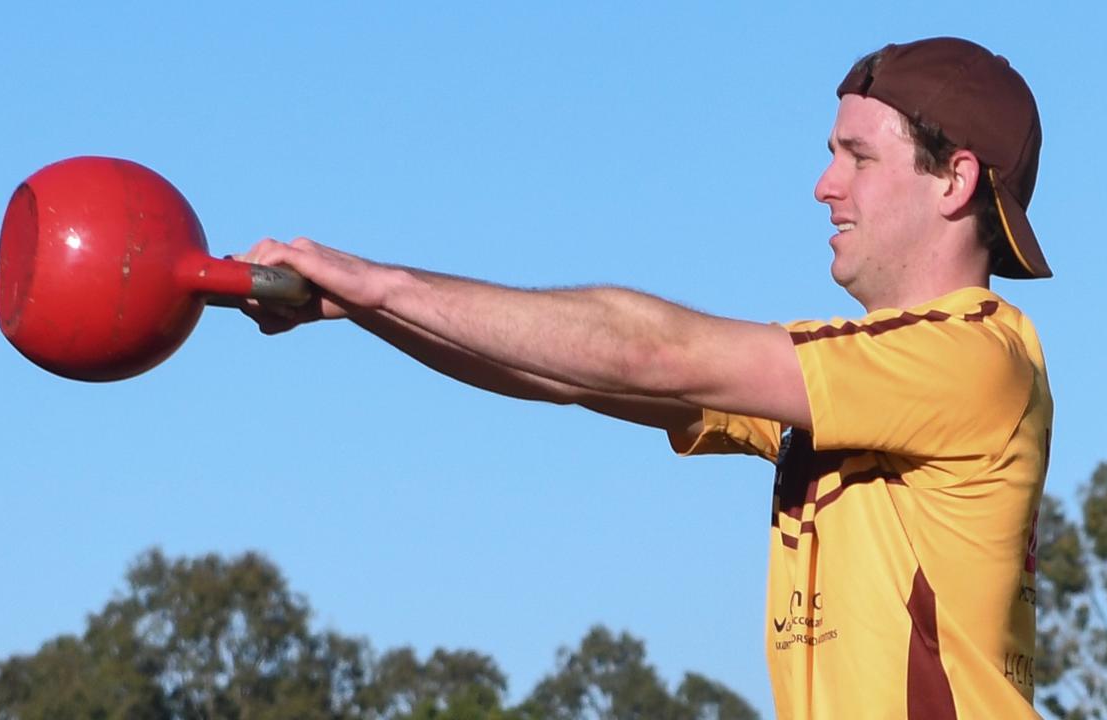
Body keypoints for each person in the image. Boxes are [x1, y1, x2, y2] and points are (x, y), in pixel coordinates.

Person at [239, 36, 1052, 719]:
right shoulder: (858, 371)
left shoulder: (970, 359)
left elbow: (649, 351)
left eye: (858, 157)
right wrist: (368, 308)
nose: (823, 185)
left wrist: (380, 281)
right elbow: (563, 371)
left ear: (956, 178)